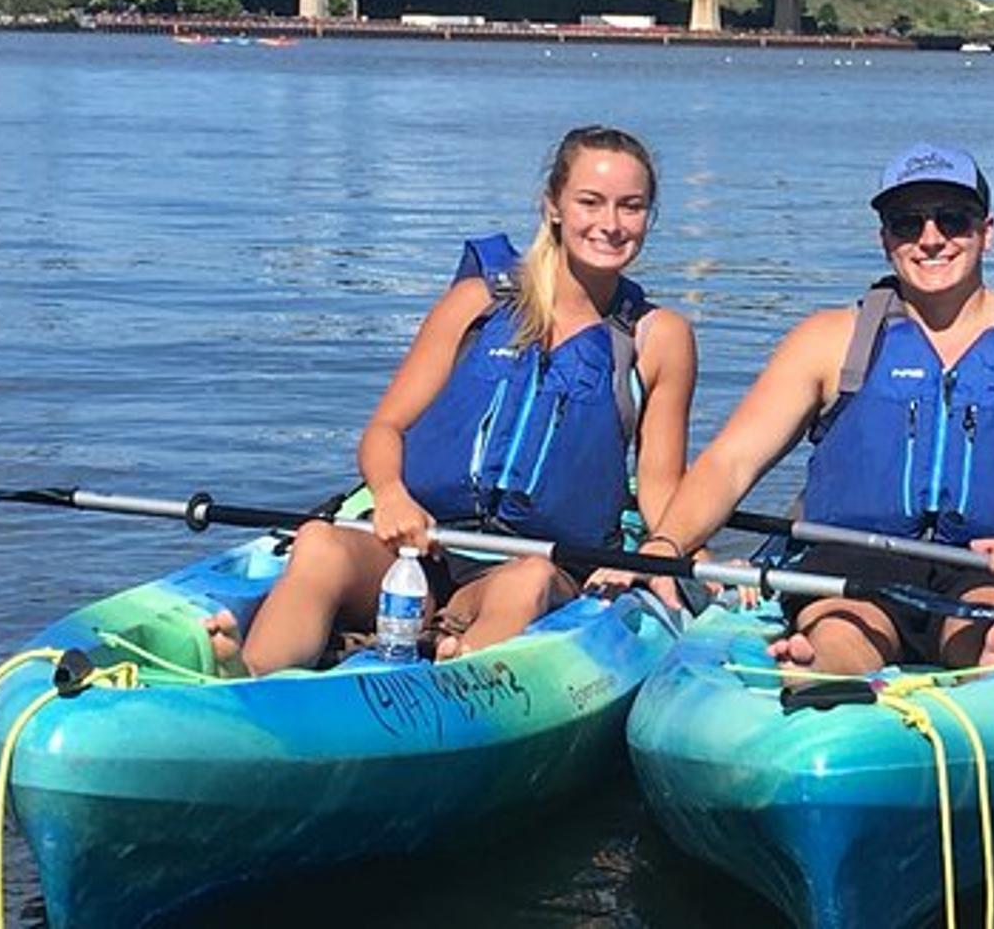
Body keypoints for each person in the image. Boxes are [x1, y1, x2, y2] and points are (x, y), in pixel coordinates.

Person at [208, 125, 696, 675]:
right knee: (319, 544)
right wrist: (390, 495)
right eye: (591, 202)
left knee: (526, 581)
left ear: (649, 217)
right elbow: (385, 430)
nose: (610, 224)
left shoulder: (658, 338)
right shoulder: (477, 304)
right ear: (553, 206)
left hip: (539, 564)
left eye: (631, 207)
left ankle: (451, 684)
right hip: (420, 546)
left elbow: (660, 486)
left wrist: (668, 548)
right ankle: (245, 683)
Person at [636, 142, 994, 674]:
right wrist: (668, 542)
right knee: (842, 624)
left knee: (990, 618)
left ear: (987, 231)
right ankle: (819, 667)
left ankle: (991, 656)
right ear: (885, 240)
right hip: (854, 566)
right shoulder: (827, 340)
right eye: (906, 223)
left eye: (952, 219)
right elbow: (730, 463)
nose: (931, 239)